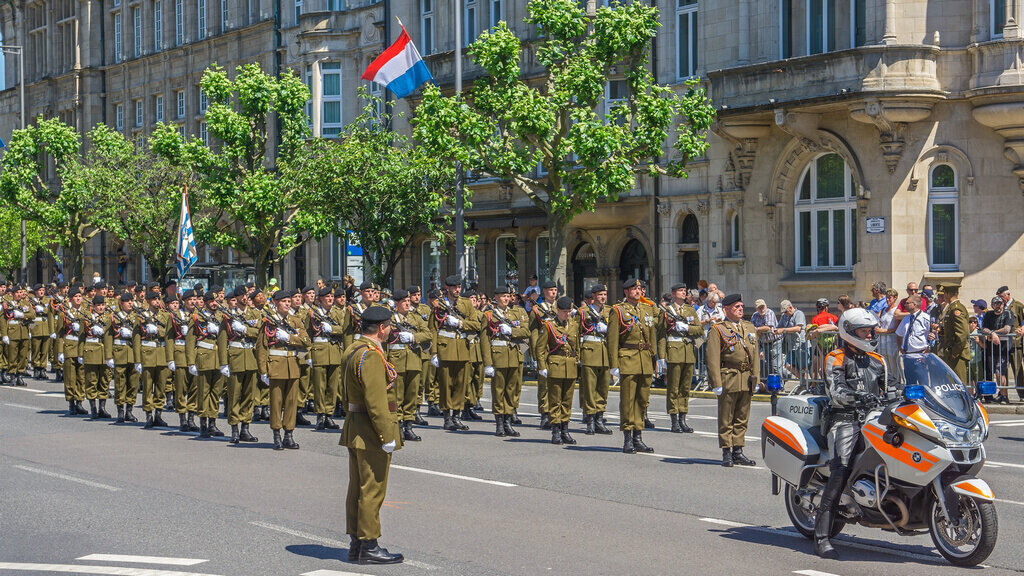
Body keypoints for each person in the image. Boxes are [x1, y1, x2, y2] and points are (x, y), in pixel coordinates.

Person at [815, 308, 887, 559]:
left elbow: (892, 387)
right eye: (864, 331)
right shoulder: (836, 357)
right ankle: (822, 536)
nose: (870, 334)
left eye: (871, 330)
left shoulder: (877, 360)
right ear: (849, 333)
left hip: (875, 419)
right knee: (841, 469)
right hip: (845, 419)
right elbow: (836, 391)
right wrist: (857, 396)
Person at [339, 305, 404, 565]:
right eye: (389, 326)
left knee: (357, 488)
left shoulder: (352, 350)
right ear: (381, 328)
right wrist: (386, 435)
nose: (390, 330)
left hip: (356, 425)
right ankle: (369, 545)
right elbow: (376, 401)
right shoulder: (372, 356)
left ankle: (356, 543)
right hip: (370, 430)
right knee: (372, 489)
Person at [707, 293, 759, 467]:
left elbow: (755, 357)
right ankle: (726, 451)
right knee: (726, 417)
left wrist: (756, 379)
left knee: (742, 417)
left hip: (746, 378)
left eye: (741, 306)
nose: (740, 309)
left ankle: (738, 450)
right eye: (736, 307)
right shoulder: (719, 329)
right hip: (729, 377)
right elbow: (712, 358)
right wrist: (716, 382)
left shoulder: (749, 327)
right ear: (727, 309)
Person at [256, 289, 312, 449]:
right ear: (276, 302)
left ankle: (289, 434)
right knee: (276, 402)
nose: (287, 304)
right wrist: (263, 370)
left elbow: (307, 341)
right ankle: (276, 434)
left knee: (291, 402)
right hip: (275, 365)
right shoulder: (269, 322)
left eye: (289, 301)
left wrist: (288, 338)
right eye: (284, 301)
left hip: (293, 366)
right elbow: (261, 347)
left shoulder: (296, 320)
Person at [607, 278, 657, 454]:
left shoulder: (647, 309)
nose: (638, 291)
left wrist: (654, 358)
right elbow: (612, 339)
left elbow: (651, 336)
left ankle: (638, 437)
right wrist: (614, 364)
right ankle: (628, 438)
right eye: (633, 289)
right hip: (628, 359)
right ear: (626, 292)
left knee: (642, 400)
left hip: (645, 359)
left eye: (639, 288)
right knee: (628, 401)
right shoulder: (618, 311)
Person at [429, 275, 483, 431]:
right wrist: (433, 353)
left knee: (461, 384)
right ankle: (447, 417)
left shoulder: (466, 304)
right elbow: (433, 329)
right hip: (445, 348)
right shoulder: (439, 305)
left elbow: (475, 324)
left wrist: (460, 323)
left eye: (459, 287)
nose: (457, 290)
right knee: (446, 385)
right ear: (447, 288)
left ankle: (456, 416)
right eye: (454, 287)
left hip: (462, 349)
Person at [481, 285, 529, 437]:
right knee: (498, 391)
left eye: (508, 296)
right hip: (498, 357)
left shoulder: (514, 313)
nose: (506, 299)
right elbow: (484, 340)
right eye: (503, 296)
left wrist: (512, 331)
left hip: (513, 356)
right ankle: (499, 423)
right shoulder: (489, 315)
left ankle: (508, 421)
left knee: (511, 391)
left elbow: (526, 331)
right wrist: (488, 363)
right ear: (495, 298)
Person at [658, 283, 703, 433]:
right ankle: (674, 420)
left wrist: (687, 328)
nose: (683, 293)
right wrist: (662, 357)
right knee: (673, 388)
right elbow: (661, 335)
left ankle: (683, 418)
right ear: (673, 293)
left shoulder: (690, 310)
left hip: (688, 352)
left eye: (685, 290)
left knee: (685, 387)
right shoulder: (667, 311)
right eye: (680, 291)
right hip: (674, 351)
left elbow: (699, 329)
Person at [386, 289, 430, 442]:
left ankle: (409, 427)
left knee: (411, 396)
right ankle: (396, 427)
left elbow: (428, 334)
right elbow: (384, 340)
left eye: (408, 301)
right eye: (404, 302)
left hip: (413, 361)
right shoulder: (389, 319)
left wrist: (413, 337)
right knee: (396, 397)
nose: (407, 304)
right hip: (395, 362)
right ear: (396, 303)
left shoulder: (415, 318)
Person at [536, 296, 580, 445]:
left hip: (570, 366)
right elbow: (540, 348)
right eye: (564, 311)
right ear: (558, 310)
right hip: (555, 365)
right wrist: (542, 367)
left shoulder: (573, 325)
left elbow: (577, 346)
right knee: (555, 401)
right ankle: (555, 431)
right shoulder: (549, 326)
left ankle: (565, 430)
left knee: (567, 401)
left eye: (569, 311)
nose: (567, 314)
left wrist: (576, 360)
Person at [306, 286, 346, 432]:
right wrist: (308, 355)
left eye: (332, 297)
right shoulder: (312, 313)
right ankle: (320, 416)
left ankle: (329, 414)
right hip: (319, 352)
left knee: (332, 386)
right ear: (321, 299)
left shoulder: (339, 313)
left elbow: (345, 329)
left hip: (335, 352)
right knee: (319, 386)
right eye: (327, 297)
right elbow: (307, 334)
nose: (330, 299)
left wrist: (332, 329)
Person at [578, 284, 613, 435]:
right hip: (589, 351)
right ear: (593, 296)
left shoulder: (611, 311)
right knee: (589, 388)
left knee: (603, 388)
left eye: (604, 294)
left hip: (605, 353)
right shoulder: (583, 312)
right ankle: (590, 420)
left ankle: (600, 418)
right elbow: (576, 333)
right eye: (600, 295)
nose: (603, 297)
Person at [981, 296, 1016, 404]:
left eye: (1000, 303)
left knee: (1000, 372)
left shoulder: (1008, 313)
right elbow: (984, 328)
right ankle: (995, 394)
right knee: (991, 373)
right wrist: (992, 333)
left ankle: (1004, 396)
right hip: (991, 348)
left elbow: (1007, 329)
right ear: (992, 305)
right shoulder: (988, 314)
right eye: (996, 303)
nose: (998, 305)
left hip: (1004, 348)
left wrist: (993, 333)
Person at [937, 282, 971, 385]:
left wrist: (954, 353)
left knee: (959, 384)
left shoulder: (956, 309)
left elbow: (962, 333)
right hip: (952, 351)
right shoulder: (951, 308)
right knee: (952, 383)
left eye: (943, 294)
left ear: (947, 294)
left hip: (957, 354)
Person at [997, 286, 1024, 400]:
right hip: (1002, 344)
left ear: (1008, 295)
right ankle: (1003, 394)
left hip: (1014, 343)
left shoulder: (1018, 306)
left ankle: (1022, 394)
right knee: (1002, 370)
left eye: (1002, 297)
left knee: (1017, 369)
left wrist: (1023, 328)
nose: (1001, 299)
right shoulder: (1000, 307)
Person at [751, 298, 782, 382]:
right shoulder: (755, 315)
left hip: (774, 342)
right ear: (756, 309)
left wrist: (757, 330)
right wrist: (760, 330)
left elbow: (768, 327)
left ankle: (780, 385)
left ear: (766, 306)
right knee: (767, 366)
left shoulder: (769, 312)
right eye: (759, 308)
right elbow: (750, 328)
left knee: (775, 366)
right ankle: (770, 385)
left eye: (763, 307)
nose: (762, 309)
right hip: (763, 343)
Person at [775, 300, 806, 380]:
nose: (785, 314)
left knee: (802, 368)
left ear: (790, 307)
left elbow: (798, 328)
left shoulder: (799, 314)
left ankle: (805, 385)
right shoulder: (784, 316)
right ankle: (805, 382)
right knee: (788, 365)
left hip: (800, 345)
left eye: (785, 311)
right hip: (790, 346)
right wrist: (775, 330)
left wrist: (783, 330)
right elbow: (779, 326)